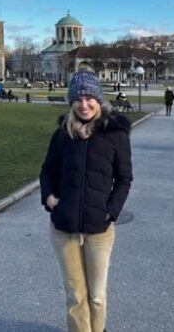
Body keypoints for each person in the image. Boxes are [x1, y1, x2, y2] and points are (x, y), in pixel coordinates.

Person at [40, 70, 133, 332]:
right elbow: (47, 171)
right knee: (75, 295)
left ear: (98, 100)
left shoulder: (115, 135)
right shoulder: (62, 135)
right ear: (71, 102)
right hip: (64, 226)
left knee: (97, 296)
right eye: (78, 99)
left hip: (99, 228)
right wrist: (49, 199)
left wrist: (110, 211)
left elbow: (124, 179)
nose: (84, 105)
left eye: (89, 98)